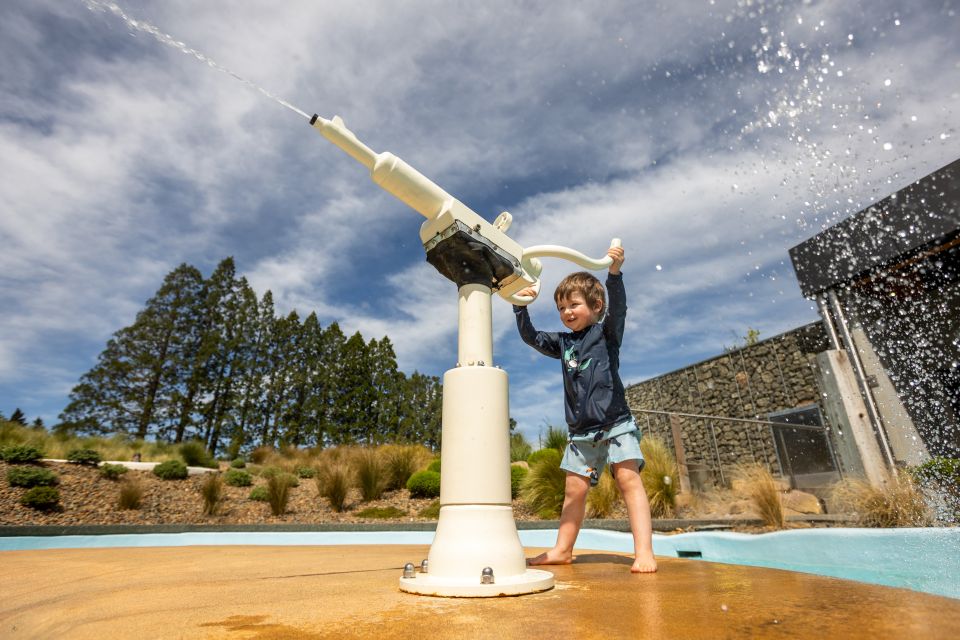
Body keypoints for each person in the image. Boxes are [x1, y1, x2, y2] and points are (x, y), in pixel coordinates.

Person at [513, 244, 657, 573]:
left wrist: (614, 274)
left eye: (573, 304)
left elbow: (618, 308)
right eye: (561, 307)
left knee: (627, 480)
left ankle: (644, 552)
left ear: (595, 305)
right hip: (581, 431)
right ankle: (562, 550)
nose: (566, 312)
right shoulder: (564, 343)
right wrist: (520, 306)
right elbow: (531, 337)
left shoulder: (606, 335)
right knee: (574, 490)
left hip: (615, 423)